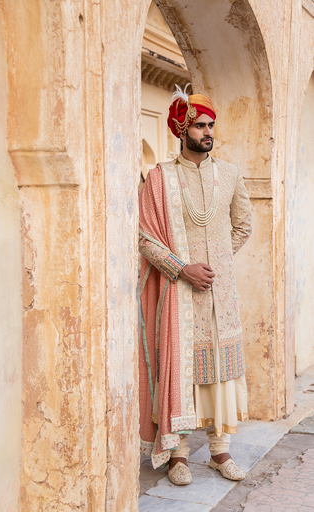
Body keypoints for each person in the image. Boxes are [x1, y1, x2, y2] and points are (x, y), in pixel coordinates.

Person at [138, 84, 252, 486]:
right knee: (183, 369)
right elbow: (144, 236)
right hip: (179, 291)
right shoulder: (159, 179)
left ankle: (220, 450)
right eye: (200, 125)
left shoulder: (230, 174)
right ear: (182, 129)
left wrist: (218, 260)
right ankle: (179, 455)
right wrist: (182, 269)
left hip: (220, 292)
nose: (208, 132)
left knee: (220, 369)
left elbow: (244, 225)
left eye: (211, 125)